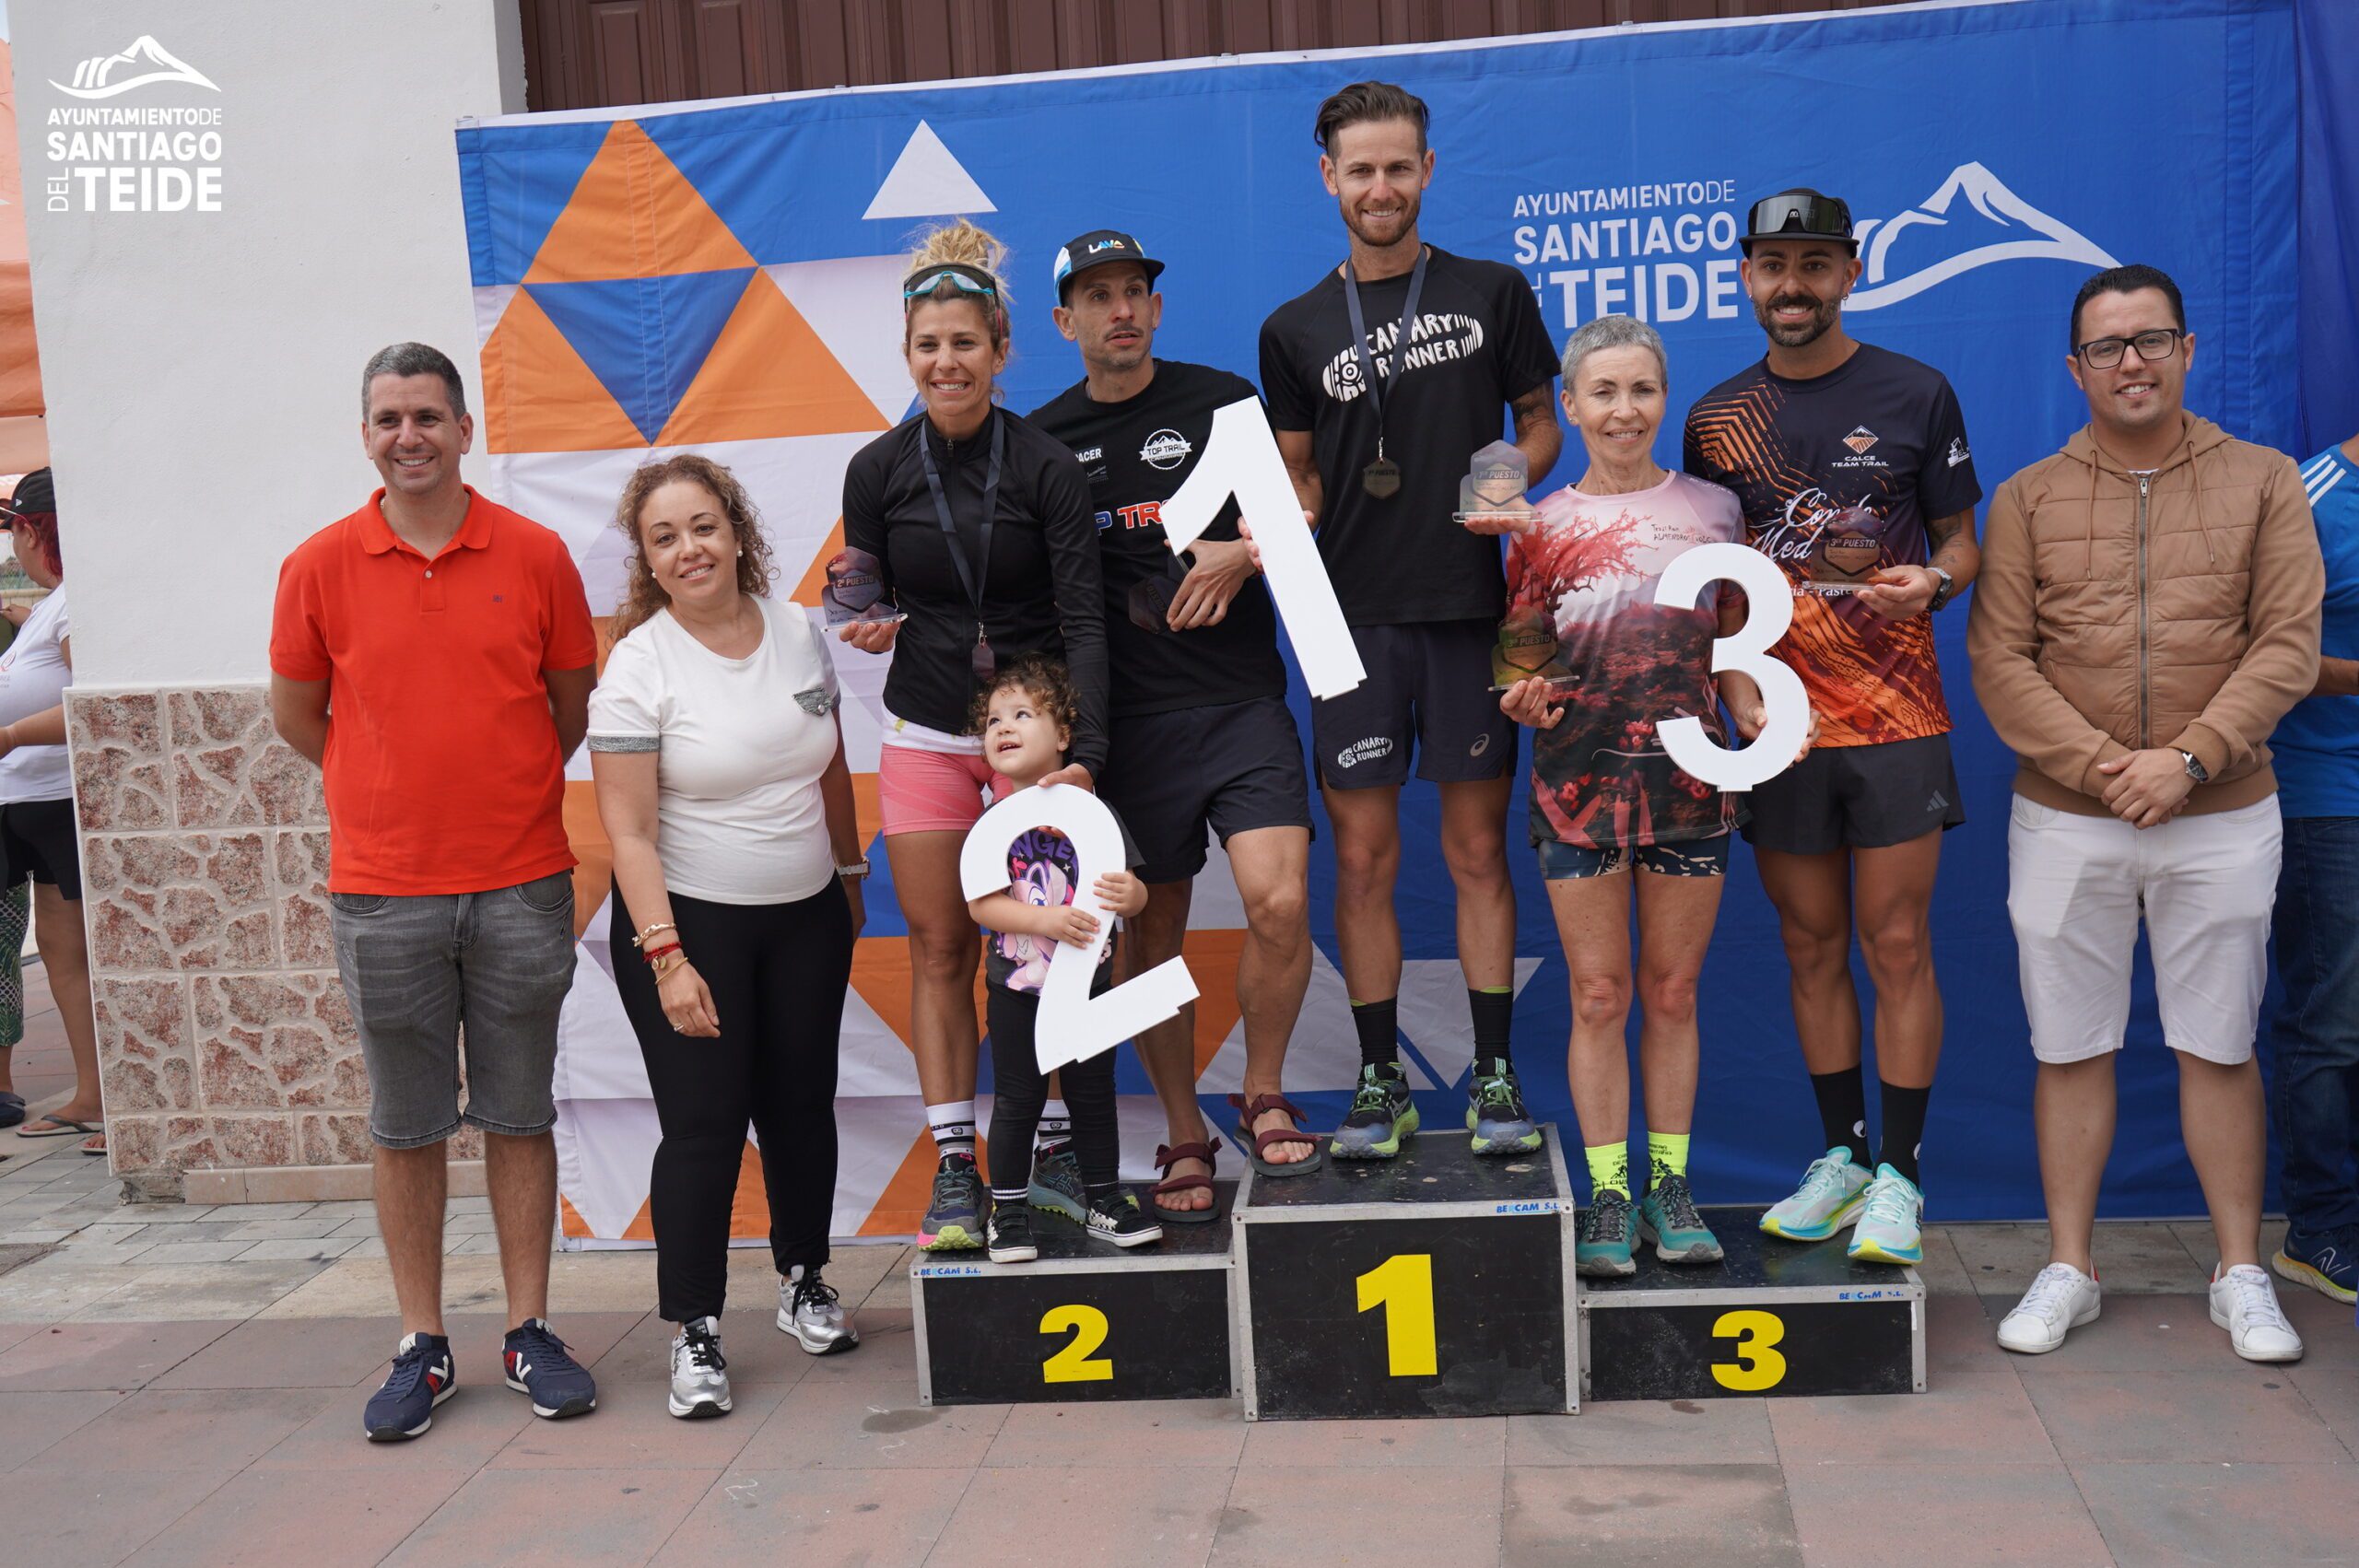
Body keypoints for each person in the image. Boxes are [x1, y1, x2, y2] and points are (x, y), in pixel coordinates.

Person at [1969, 263, 2324, 1361]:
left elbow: (2286, 644)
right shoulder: (2026, 496)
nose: (2131, 360)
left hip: (2221, 811)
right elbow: (1999, 656)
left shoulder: (2263, 481)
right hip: (2068, 818)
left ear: (2186, 349)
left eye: (2150, 338)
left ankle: (2238, 1271)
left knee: (2219, 1043)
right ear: (2073, 368)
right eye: (2107, 345)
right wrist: (2105, 768)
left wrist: (2185, 758)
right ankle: (2068, 1267)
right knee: (2068, 1043)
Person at [270, 344, 601, 1441]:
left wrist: (490, 797)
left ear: (466, 430)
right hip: (384, 892)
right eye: (386, 418)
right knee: (405, 1125)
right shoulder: (318, 565)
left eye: (426, 415)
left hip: (521, 884)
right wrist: (389, 795)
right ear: (365, 435)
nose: (406, 435)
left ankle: (529, 1330)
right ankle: (422, 1342)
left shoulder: (539, 554)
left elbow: (566, 711)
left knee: (518, 1112)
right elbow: (297, 719)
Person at [1259, 81, 1561, 1159]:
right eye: (1360, 170)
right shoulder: (1292, 328)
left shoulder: (1492, 290)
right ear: (1328, 178)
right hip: (1352, 629)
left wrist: (1506, 475)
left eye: (1398, 167)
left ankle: (1491, 1075)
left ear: (1427, 171)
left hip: (1473, 611)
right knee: (1365, 859)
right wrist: (1261, 532)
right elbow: (1299, 481)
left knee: (1479, 850)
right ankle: (1378, 1079)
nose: (1379, 187)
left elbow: (1540, 424)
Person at [1683, 188, 1982, 1265]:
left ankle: (1901, 1176)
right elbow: (1710, 585)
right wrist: (1728, 680)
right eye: (1772, 265)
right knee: (1809, 946)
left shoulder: (1916, 391)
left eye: (1813, 264)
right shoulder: (1715, 420)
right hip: (1778, 723)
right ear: (1748, 278)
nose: (1792, 285)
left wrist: (1936, 582)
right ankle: (1843, 1157)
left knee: (1894, 943)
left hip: (1898, 712)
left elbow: (1961, 543)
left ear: (1848, 273)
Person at [1498, 317, 1807, 1276]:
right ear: (1571, 405)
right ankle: (1607, 1196)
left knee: (1671, 992)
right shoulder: (1540, 525)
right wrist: (1518, 696)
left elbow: (1733, 655)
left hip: (1690, 786)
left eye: (1640, 391)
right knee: (1599, 994)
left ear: (1661, 399)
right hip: (1575, 789)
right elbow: (1519, 658)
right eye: (1603, 393)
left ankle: (1669, 1188)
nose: (1622, 410)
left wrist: (1759, 719)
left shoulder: (1715, 511)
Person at [1027, 229, 1319, 1218]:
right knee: (1149, 944)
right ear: (1064, 322)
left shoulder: (1223, 399)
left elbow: (1301, 511)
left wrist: (1244, 554)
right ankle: (1184, 1129)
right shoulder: (1044, 437)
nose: (1120, 309)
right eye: (1097, 296)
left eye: (1134, 292)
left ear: (1155, 308)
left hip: (1239, 703)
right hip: (1130, 729)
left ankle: (1265, 1090)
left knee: (1278, 904)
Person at [838, 221, 1107, 1250]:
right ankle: (957, 1166)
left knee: (1040, 944)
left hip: (1034, 749)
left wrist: (1086, 755)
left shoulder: (1045, 463)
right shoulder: (877, 468)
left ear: (1000, 348)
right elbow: (866, 594)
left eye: (964, 343)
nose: (945, 363)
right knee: (943, 946)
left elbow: (1083, 619)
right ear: (907, 357)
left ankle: (1046, 1147)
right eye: (926, 346)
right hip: (923, 735)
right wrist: (862, 622)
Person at [587, 453, 867, 1421]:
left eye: (702, 525)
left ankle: (804, 1280)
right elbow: (625, 831)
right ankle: (695, 1329)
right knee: (704, 1128)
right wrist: (666, 957)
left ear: (737, 530)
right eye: (663, 537)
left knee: (801, 1106)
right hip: (689, 922)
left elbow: (826, 766)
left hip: (805, 916)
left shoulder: (797, 632)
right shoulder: (637, 667)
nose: (688, 548)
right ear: (649, 562)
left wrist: (849, 871)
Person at [965, 656, 1160, 1260]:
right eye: (994, 719)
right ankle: (1010, 1211)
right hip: (1018, 990)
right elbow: (983, 906)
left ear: (1064, 735)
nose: (1004, 726)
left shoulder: (1095, 816)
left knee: (1093, 1092)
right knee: (1018, 1098)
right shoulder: (996, 822)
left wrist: (1134, 894)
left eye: (1023, 714)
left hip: (1088, 988)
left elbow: (1132, 886)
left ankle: (1103, 1198)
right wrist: (1042, 920)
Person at [2263, 432, 2359, 1304]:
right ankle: (2322, 1228)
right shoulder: (2311, 494)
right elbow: (2265, 650)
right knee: (2336, 1022)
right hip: (2333, 797)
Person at [0, 471, 103, 1155]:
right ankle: (95, 1098)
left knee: (84, 955)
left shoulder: (74, 607)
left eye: (13, 530)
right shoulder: (50, 604)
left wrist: (7, 737)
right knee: (64, 956)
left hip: (61, 799)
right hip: (32, 803)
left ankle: (113, 1100)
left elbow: (87, 706)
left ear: (34, 530)